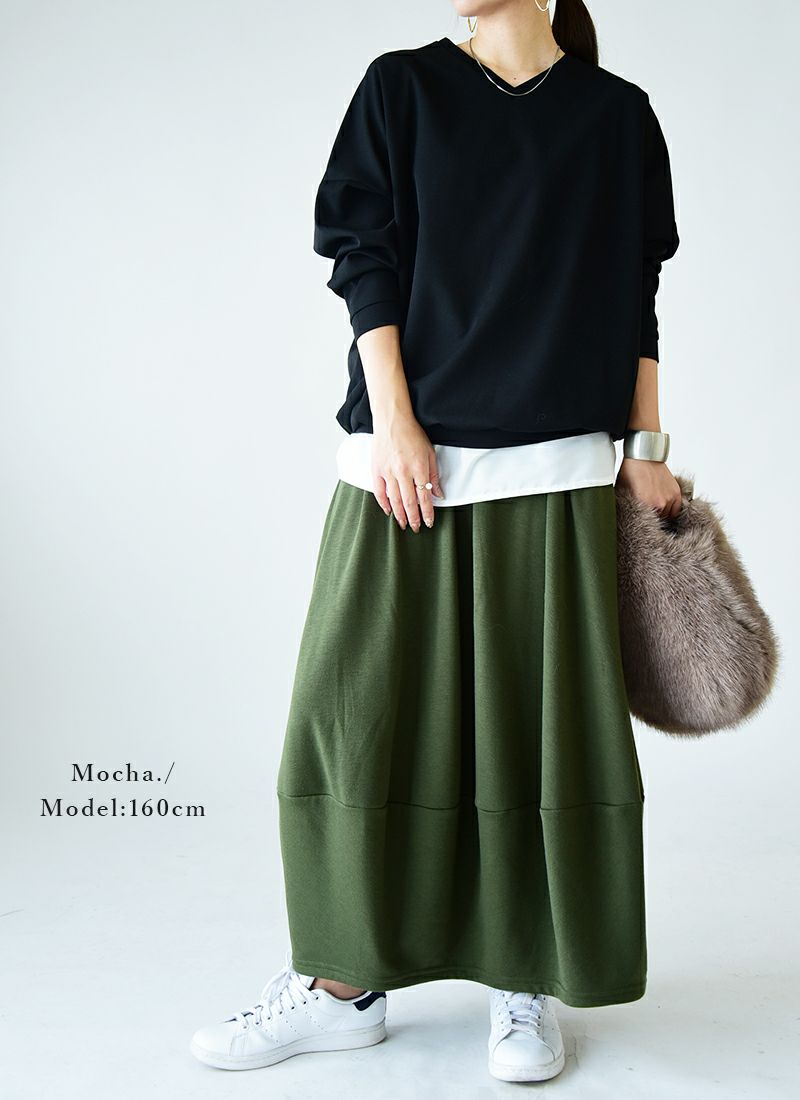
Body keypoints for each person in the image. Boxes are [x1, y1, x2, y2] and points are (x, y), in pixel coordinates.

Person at [190, 0, 681, 1084]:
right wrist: (395, 420)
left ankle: (522, 973)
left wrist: (646, 445)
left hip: (553, 467)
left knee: (528, 733)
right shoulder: (401, 88)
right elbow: (362, 256)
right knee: (349, 714)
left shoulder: (616, 117)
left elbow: (635, 292)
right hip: (402, 461)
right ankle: (341, 984)